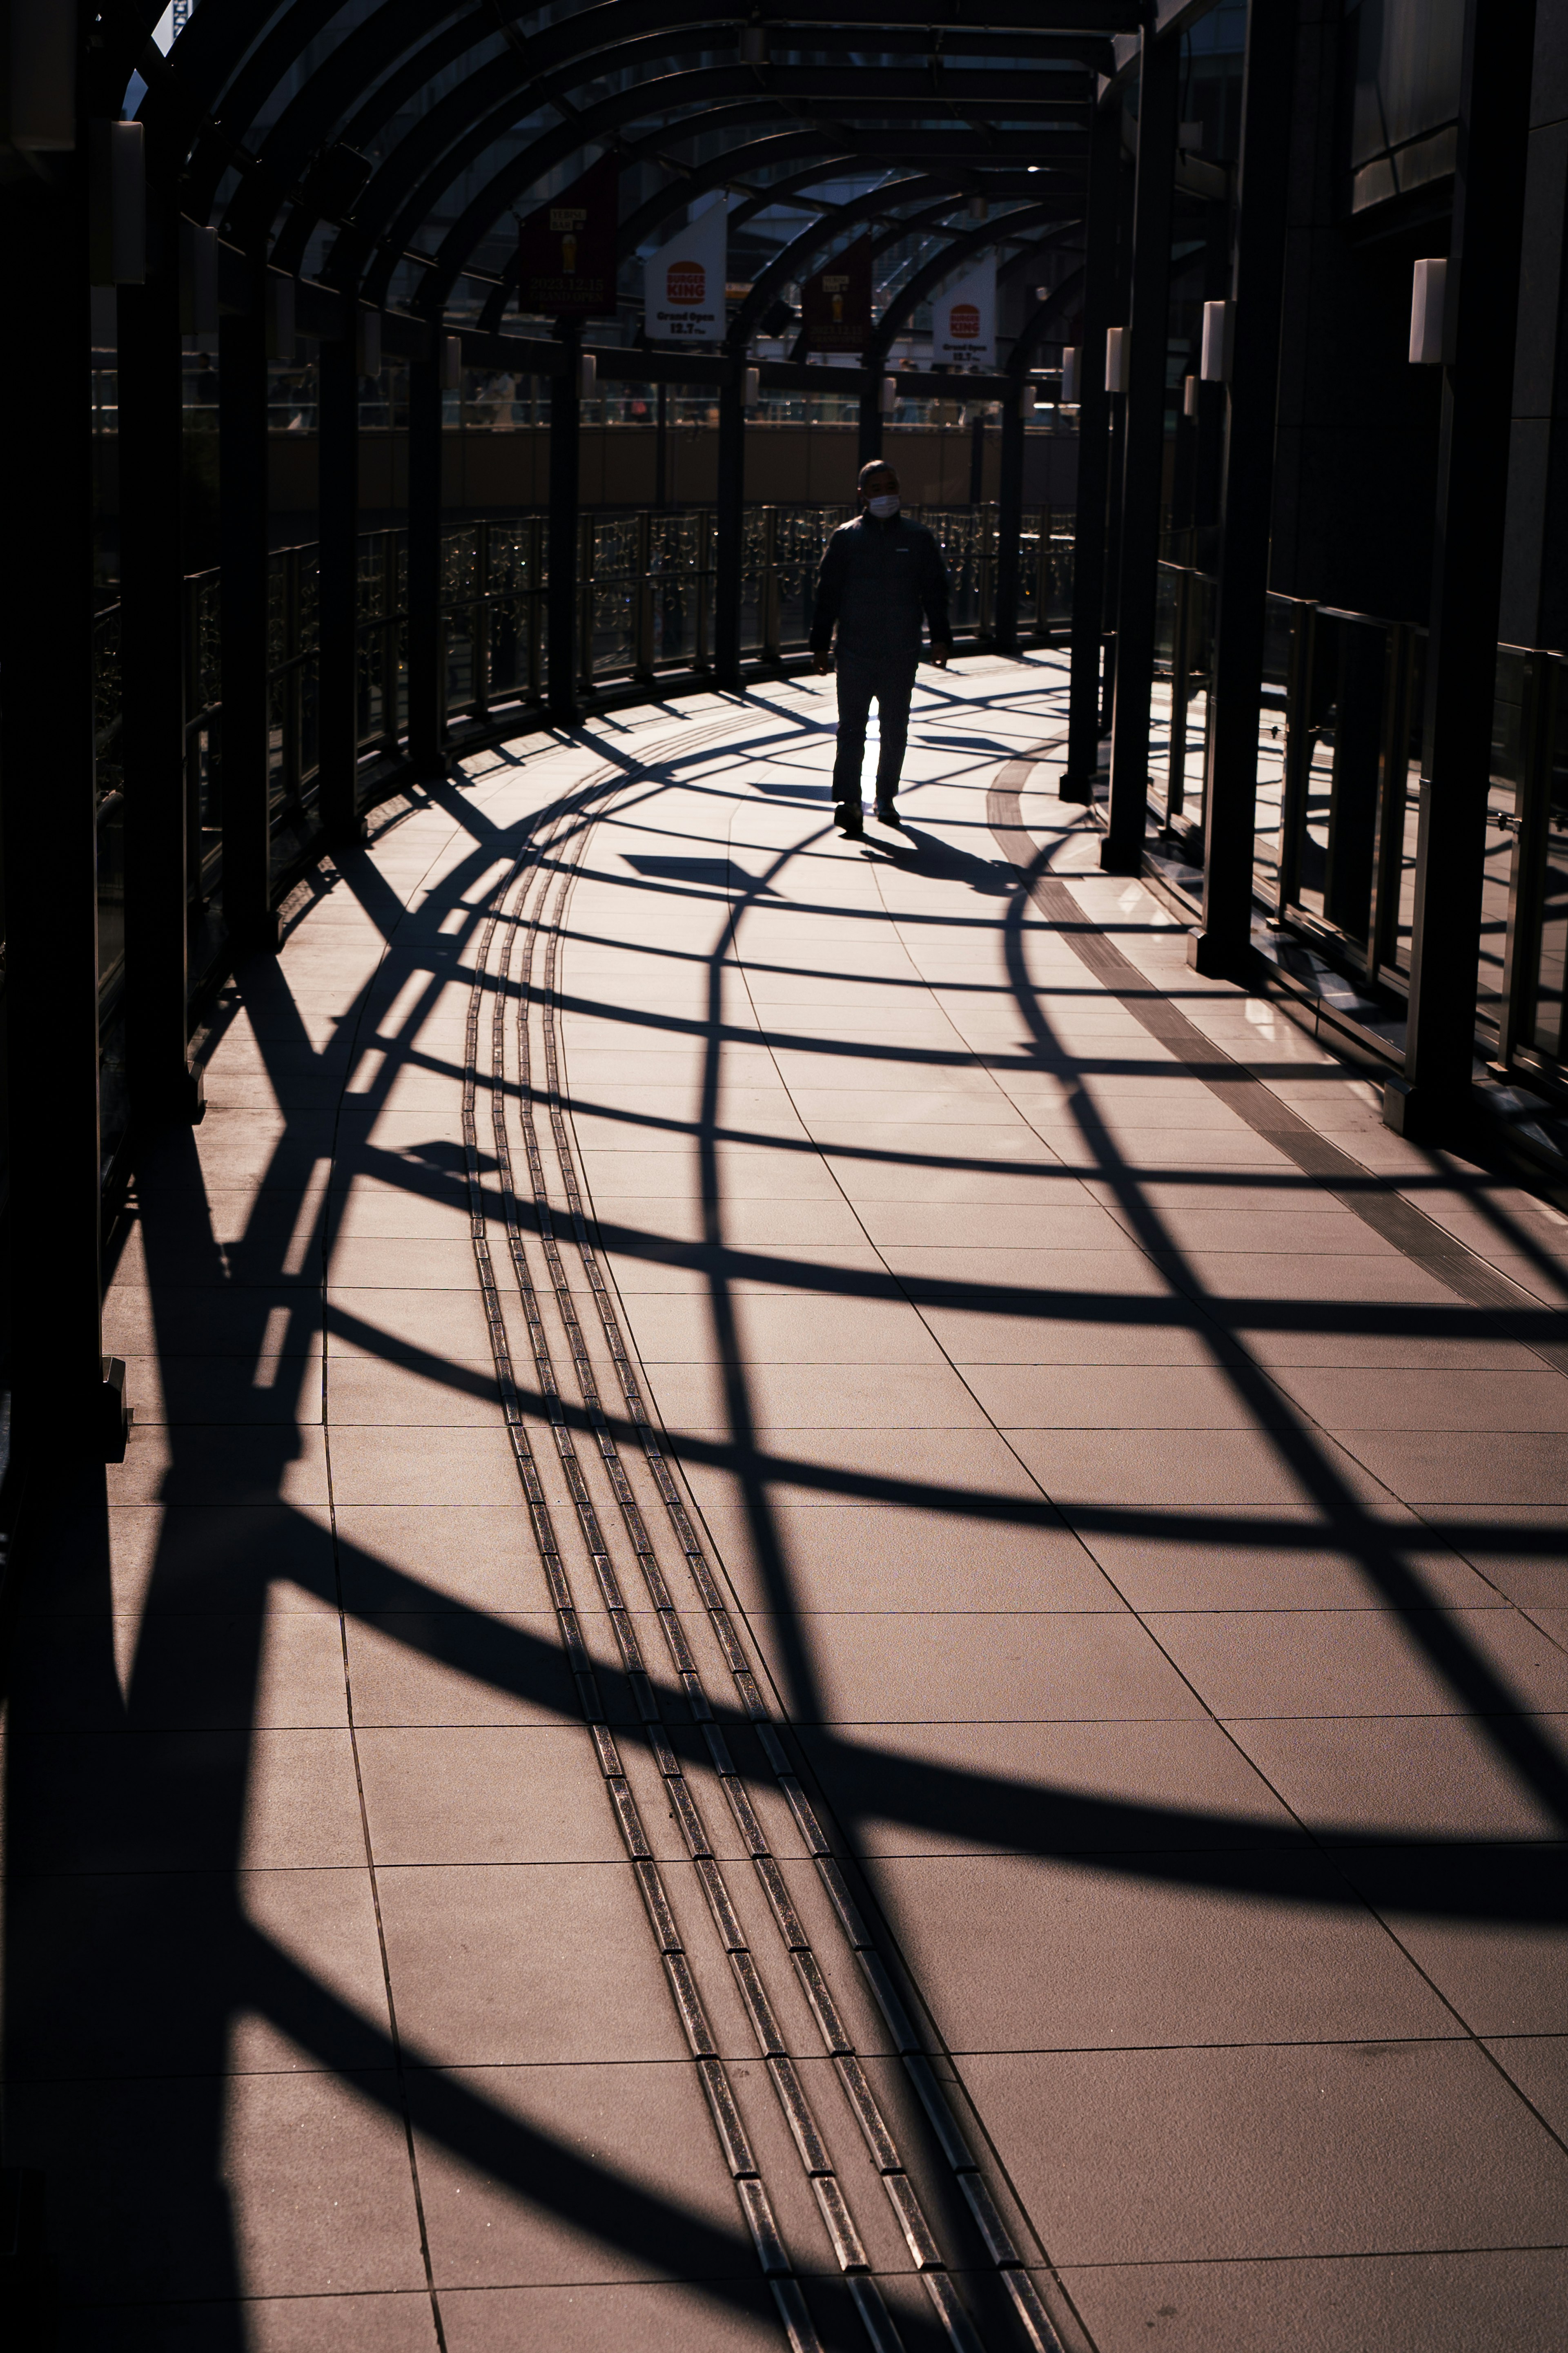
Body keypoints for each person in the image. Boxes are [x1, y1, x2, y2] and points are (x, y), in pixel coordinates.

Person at [810, 459, 952, 836]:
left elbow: (934, 592)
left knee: (895, 728)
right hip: (855, 650)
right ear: (862, 495)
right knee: (851, 729)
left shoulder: (917, 538)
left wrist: (941, 637)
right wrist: (820, 644)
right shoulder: (847, 538)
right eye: (877, 489)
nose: (885, 494)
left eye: (891, 486)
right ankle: (849, 801)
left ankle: (885, 797)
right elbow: (828, 595)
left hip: (901, 650)